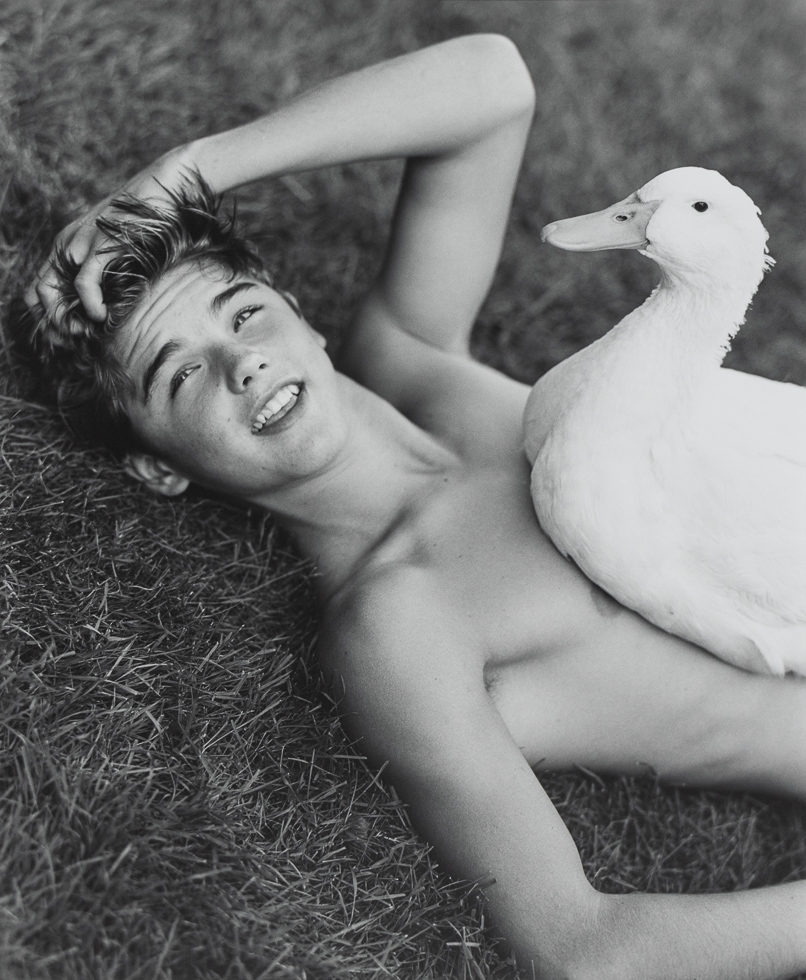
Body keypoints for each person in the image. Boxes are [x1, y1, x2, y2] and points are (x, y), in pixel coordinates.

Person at [25, 34, 806, 980]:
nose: (244, 363)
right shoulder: (397, 623)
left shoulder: (415, 357)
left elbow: (493, 87)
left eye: (241, 314)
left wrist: (191, 168)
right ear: (159, 470)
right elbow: (583, 949)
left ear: (298, 312)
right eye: (181, 373)